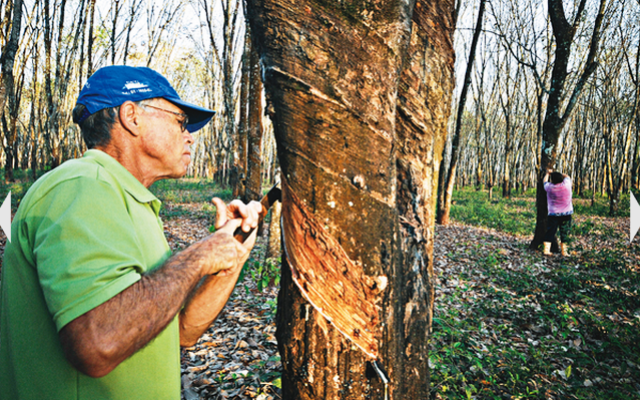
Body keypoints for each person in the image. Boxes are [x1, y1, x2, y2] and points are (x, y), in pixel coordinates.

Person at [0, 65, 262, 399]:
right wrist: (200, 255)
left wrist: (231, 253)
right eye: (180, 121)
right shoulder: (83, 186)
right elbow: (98, 344)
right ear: (132, 116)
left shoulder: (128, 199)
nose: (189, 136)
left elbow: (180, 331)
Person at [543, 170, 574, 256]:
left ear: (552, 180)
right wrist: (559, 173)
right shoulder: (567, 185)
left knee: (550, 231)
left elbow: (544, 182)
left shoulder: (550, 188)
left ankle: (546, 250)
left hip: (553, 214)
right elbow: (567, 176)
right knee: (565, 232)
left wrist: (547, 174)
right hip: (566, 213)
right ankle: (564, 251)